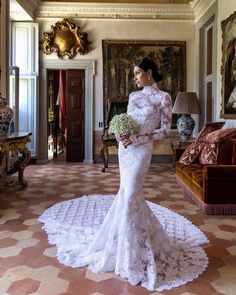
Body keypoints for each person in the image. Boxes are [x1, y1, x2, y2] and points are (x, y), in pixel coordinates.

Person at [39, 57, 209, 292]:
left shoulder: (164, 98)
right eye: (135, 73)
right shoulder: (134, 96)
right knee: (128, 195)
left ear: (149, 73)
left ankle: (136, 253)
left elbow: (163, 131)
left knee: (130, 195)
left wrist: (138, 138)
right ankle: (126, 246)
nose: (135, 77)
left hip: (142, 150)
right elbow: (126, 122)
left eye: (138, 73)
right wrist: (120, 135)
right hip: (126, 150)